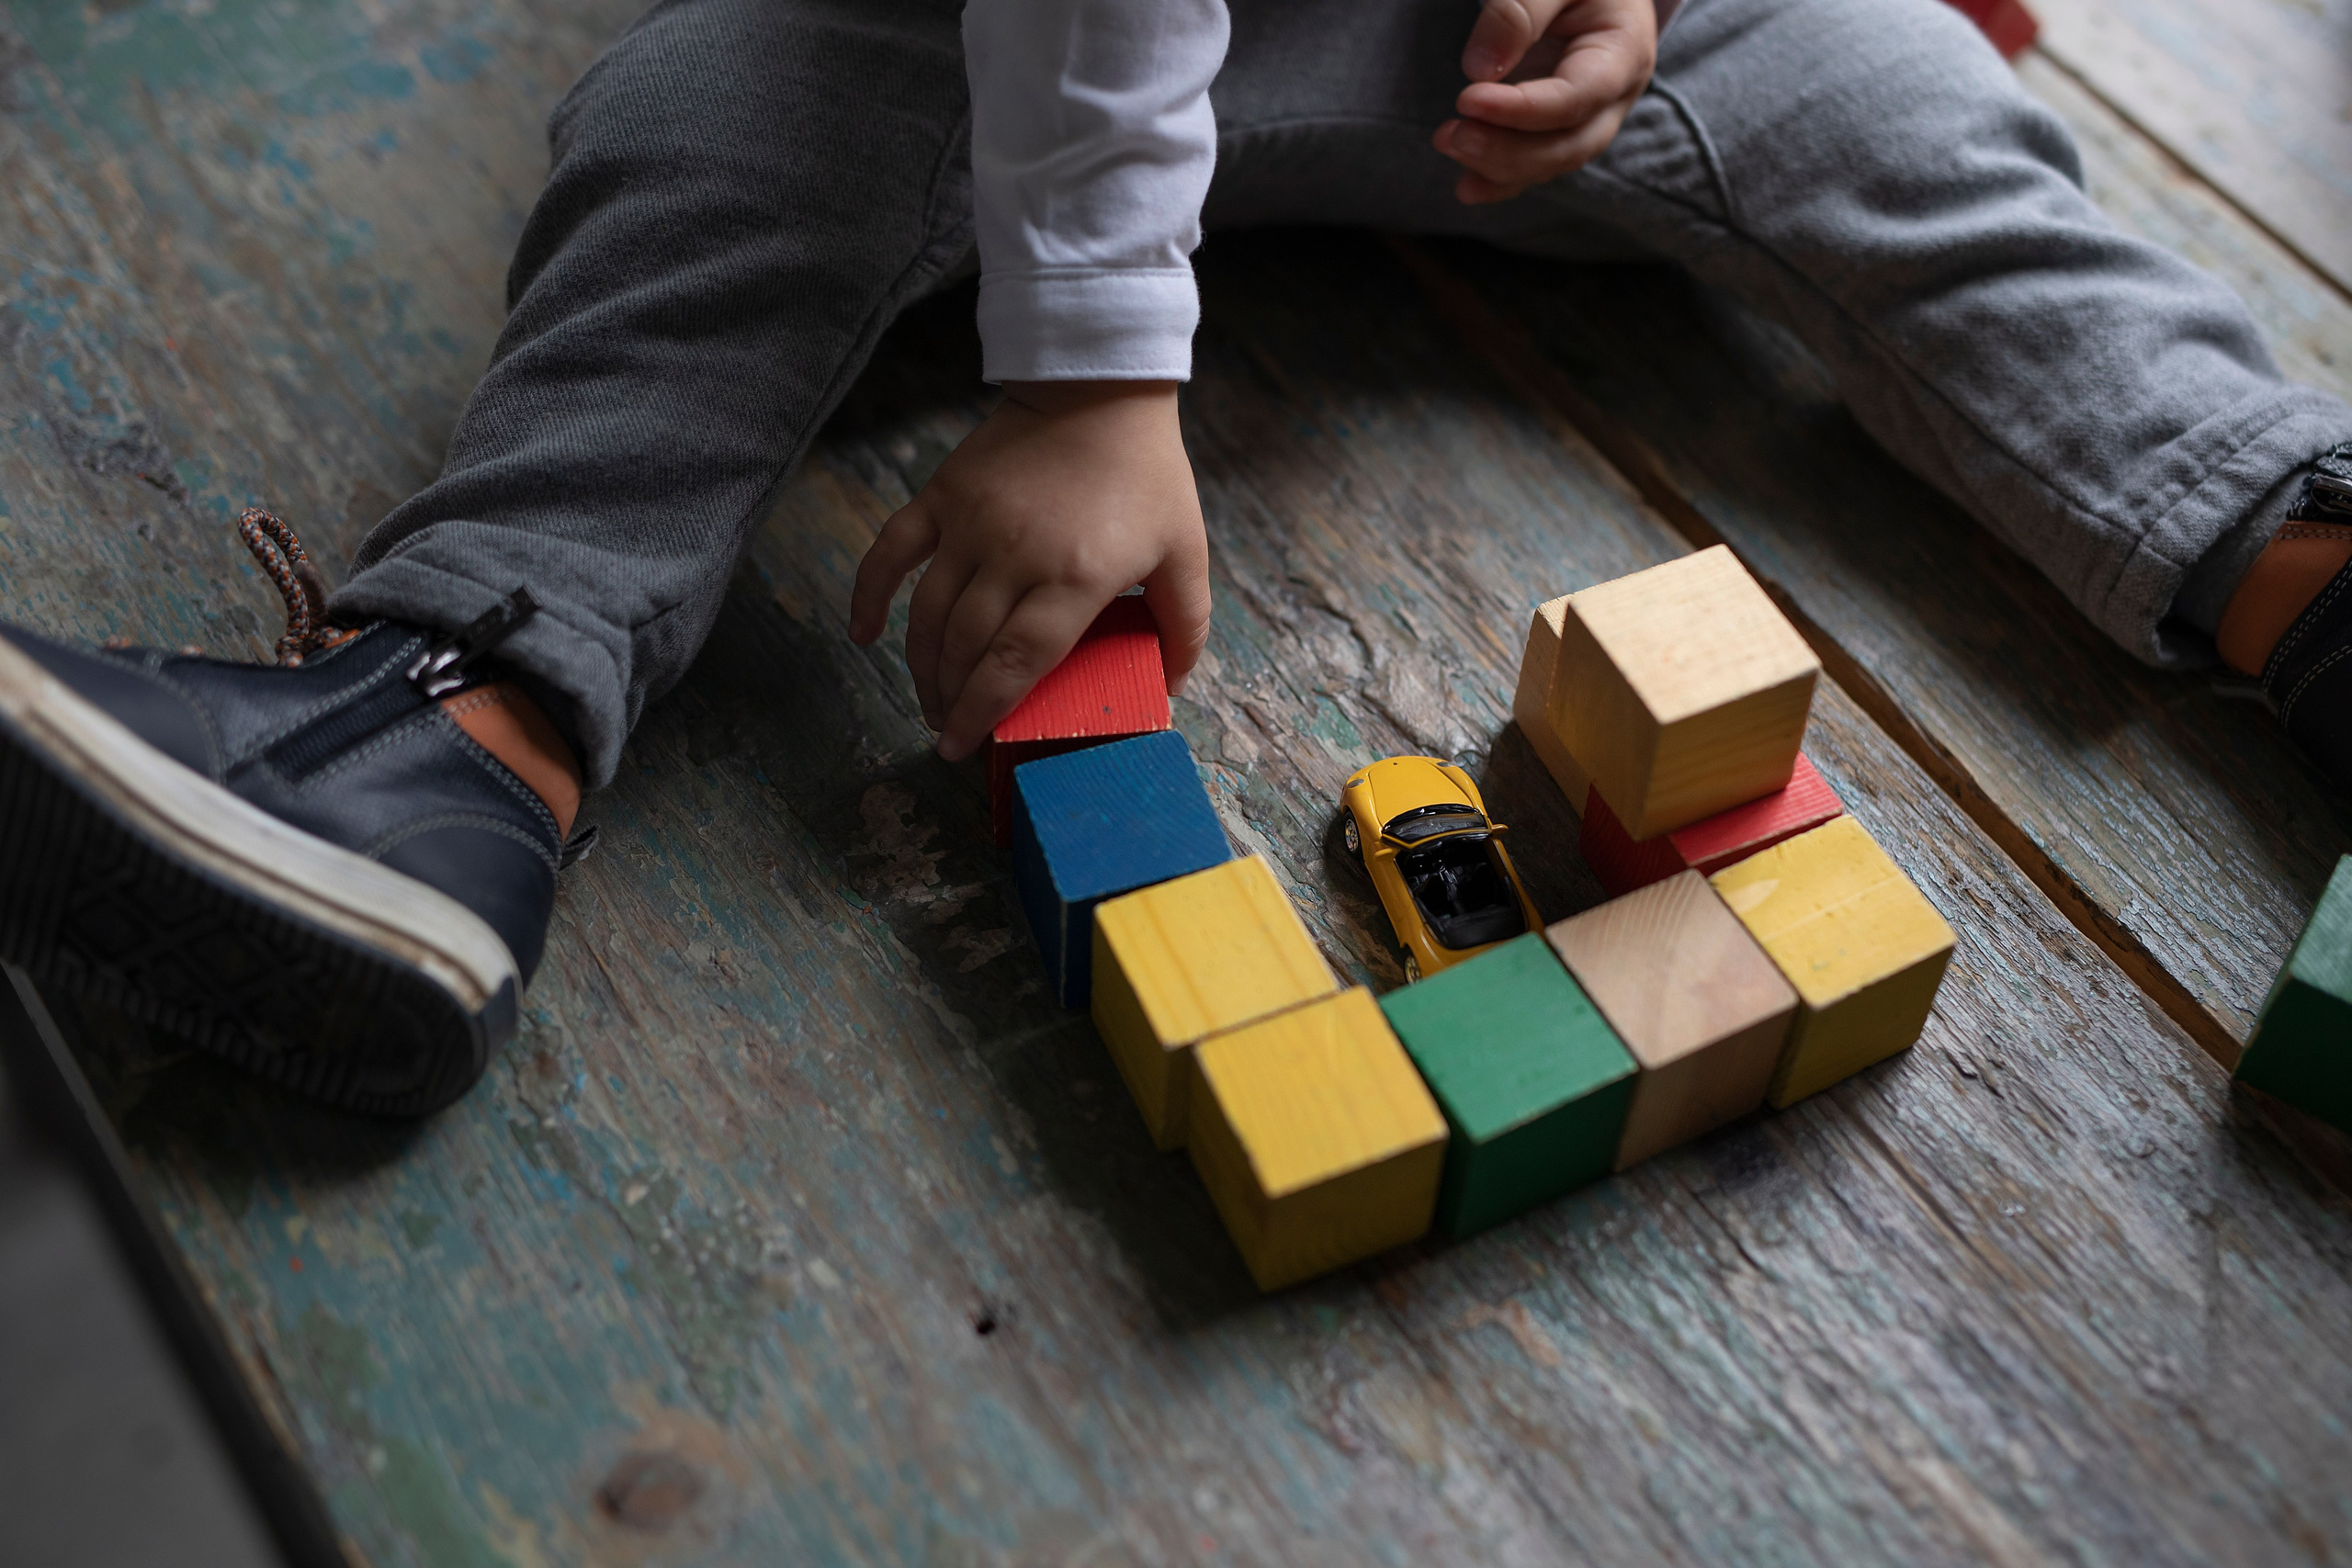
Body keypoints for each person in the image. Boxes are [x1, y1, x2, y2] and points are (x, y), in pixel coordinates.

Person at [1, 0, 2345, 1113]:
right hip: (974, 38)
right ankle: (453, 731)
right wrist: (1097, 375)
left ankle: (2286, 550)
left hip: (1478, 56)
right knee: (703, 137)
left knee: (1906, 98)